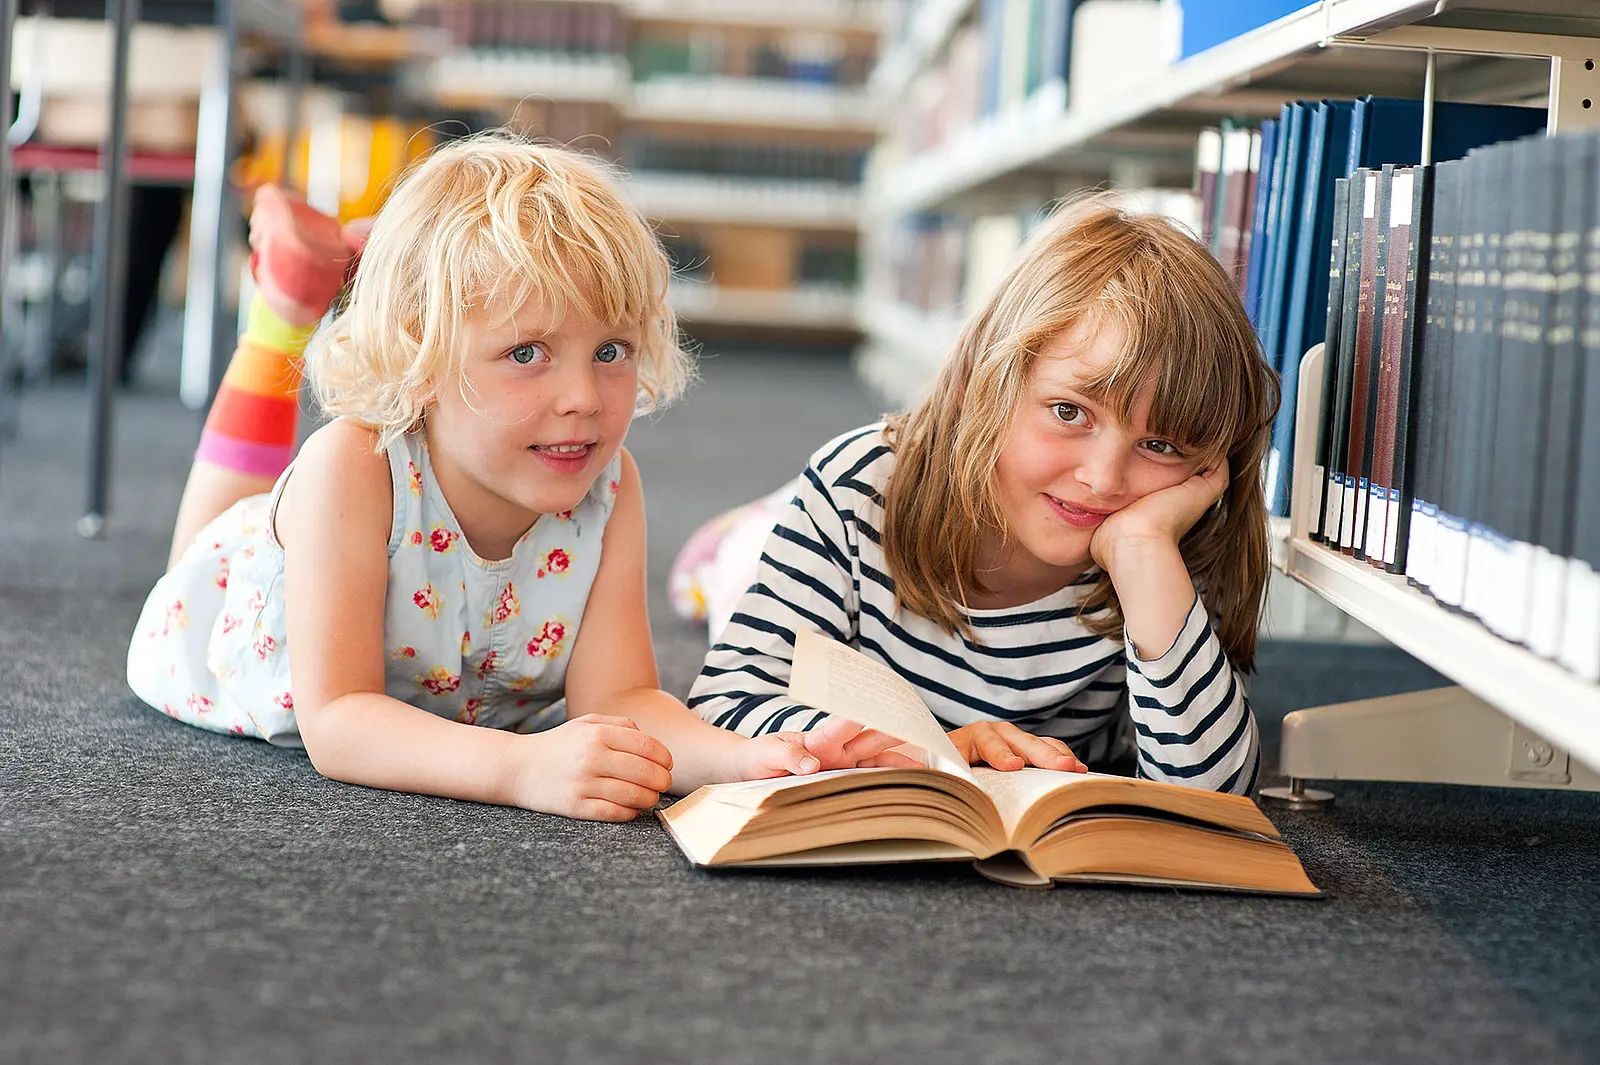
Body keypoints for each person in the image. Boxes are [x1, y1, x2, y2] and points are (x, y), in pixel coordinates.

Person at [126, 133, 903, 823]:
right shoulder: (351, 468)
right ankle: (286, 310)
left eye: (610, 351)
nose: (583, 398)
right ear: (422, 357)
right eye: (527, 353)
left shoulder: (610, 489)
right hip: (221, 620)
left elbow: (623, 699)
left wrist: (749, 758)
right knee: (209, 542)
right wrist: (520, 767)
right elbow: (341, 721)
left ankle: (351, 273)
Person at [684, 196, 1280, 794]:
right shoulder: (860, 488)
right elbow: (725, 701)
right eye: (1069, 412)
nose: (1103, 479)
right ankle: (737, 534)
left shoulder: (1164, 535)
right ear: (980, 380)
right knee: (729, 568)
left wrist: (1144, 552)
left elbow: (1216, 794)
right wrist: (927, 750)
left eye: (1160, 445)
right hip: (871, 503)